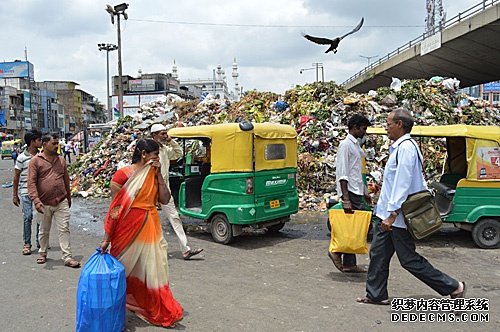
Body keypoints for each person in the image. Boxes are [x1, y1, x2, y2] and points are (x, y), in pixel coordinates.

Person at [356, 108, 465, 305]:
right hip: (386, 215)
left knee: (408, 259)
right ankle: (376, 294)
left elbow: (402, 183)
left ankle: (454, 287)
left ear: (399, 124)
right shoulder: (400, 147)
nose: (386, 128)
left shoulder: (406, 148)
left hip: (397, 218)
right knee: (378, 254)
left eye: (388, 124)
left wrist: (392, 214)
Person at [99, 139, 183, 327]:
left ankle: (152, 304)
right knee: (123, 269)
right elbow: (116, 209)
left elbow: (165, 198)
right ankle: (116, 312)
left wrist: (160, 174)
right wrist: (107, 238)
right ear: (144, 154)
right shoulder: (123, 175)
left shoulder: (153, 174)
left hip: (150, 225)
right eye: (155, 154)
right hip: (126, 229)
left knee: (153, 268)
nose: (157, 158)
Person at [150, 123, 203, 260]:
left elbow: (178, 153)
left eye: (165, 133)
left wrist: (171, 141)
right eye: (162, 134)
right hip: (149, 190)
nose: (165, 135)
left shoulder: (165, 149)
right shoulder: (148, 150)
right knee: (147, 221)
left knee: (175, 218)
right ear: (154, 135)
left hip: (164, 190)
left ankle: (186, 250)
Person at [28, 133, 80, 268]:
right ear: (45, 145)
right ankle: (42, 252)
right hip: (43, 202)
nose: (57, 146)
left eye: (57, 143)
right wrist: (36, 201)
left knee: (64, 228)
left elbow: (66, 179)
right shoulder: (35, 161)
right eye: (54, 143)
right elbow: (31, 183)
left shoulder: (61, 160)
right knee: (44, 230)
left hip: (61, 200)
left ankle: (67, 257)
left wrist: (68, 197)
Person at [329, 114, 372, 273]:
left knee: (353, 226)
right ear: (354, 127)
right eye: (363, 128)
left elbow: (357, 171)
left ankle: (349, 263)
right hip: (351, 192)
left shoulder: (355, 146)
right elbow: (343, 173)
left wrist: (365, 191)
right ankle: (336, 251)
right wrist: (345, 198)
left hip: (356, 190)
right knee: (363, 226)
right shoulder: (346, 145)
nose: (364, 132)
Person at [13, 129, 43, 255]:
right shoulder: (21, 158)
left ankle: (39, 241)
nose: (41, 142)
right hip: (25, 191)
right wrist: (15, 195)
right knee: (28, 216)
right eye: (39, 140)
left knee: (39, 218)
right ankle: (27, 243)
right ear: (32, 142)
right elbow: (16, 177)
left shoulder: (41, 156)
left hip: (39, 192)